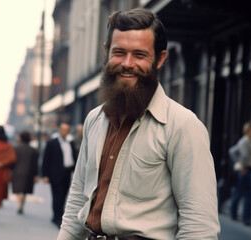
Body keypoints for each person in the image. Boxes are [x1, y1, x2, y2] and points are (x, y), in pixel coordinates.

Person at [57, 8, 220, 240]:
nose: (127, 63)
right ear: (106, 52)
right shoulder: (94, 118)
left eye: (139, 55)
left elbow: (199, 225)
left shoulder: (183, 126)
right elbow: (77, 199)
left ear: (160, 59)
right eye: (119, 52)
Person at [42, 122, 77, 228]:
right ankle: (58, 217)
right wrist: (45, 175)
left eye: (67, 130)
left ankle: (57, 216)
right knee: (57, 196)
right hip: (55, 174)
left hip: (67, 173)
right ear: (59, 130)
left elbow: (74, 157)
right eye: (63, 129)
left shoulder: (70, 143)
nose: (65, 131)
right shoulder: (52, 143)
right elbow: (45, 159)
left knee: (64, 195)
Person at [229, 122, 251, 225]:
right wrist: (240, 165)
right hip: (245, 170)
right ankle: (245, 218)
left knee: (242, 193)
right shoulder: (245, 141)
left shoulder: (250, 141)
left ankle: (236, 214)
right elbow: (232, 151)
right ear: (247, 131)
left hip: (248, 170)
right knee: (245, 194)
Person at [12, 131, 40, 215]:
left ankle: (19, 203)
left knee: (17, 189)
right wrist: (36, 175)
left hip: (17, 171)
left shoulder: (15, 149)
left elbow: (12, 161)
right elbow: (36, 164)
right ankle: (22, 204)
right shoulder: (33, 150)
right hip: (29, 172)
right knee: (24, 190)